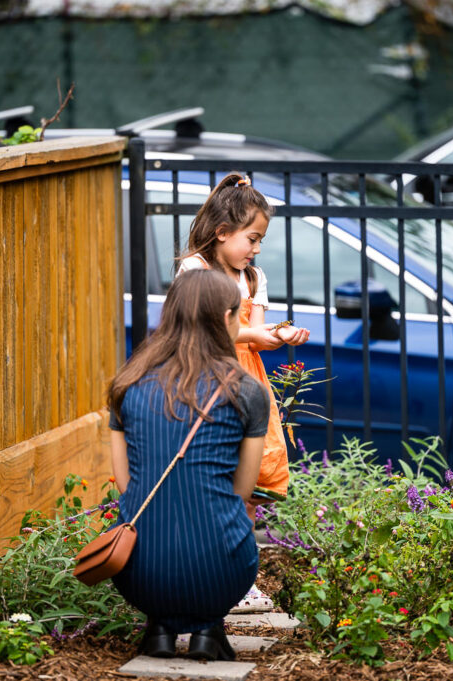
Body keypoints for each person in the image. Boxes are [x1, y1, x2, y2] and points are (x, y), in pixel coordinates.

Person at [107, 269, 270, 660]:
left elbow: (126, 485)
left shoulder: (126, 385)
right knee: (228, 525)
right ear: (228, 318)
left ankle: (158, 629)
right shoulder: (246, 391)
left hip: (137, 574)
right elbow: (242, 491)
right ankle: (209, 630)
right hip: (223, 575)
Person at [175, 172, 310, 612]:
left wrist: (280, 333)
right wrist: (255, 335)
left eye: (260, 242)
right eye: (251, 238)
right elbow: (200, 328)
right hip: (204, 378)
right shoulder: (195, 269)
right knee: (209, 477)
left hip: (246, 382)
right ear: (221, 232)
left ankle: (237, 580)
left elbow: (253, 332)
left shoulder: (253, 278)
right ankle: (195, 572)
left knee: (246, 483)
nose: (254, 249)